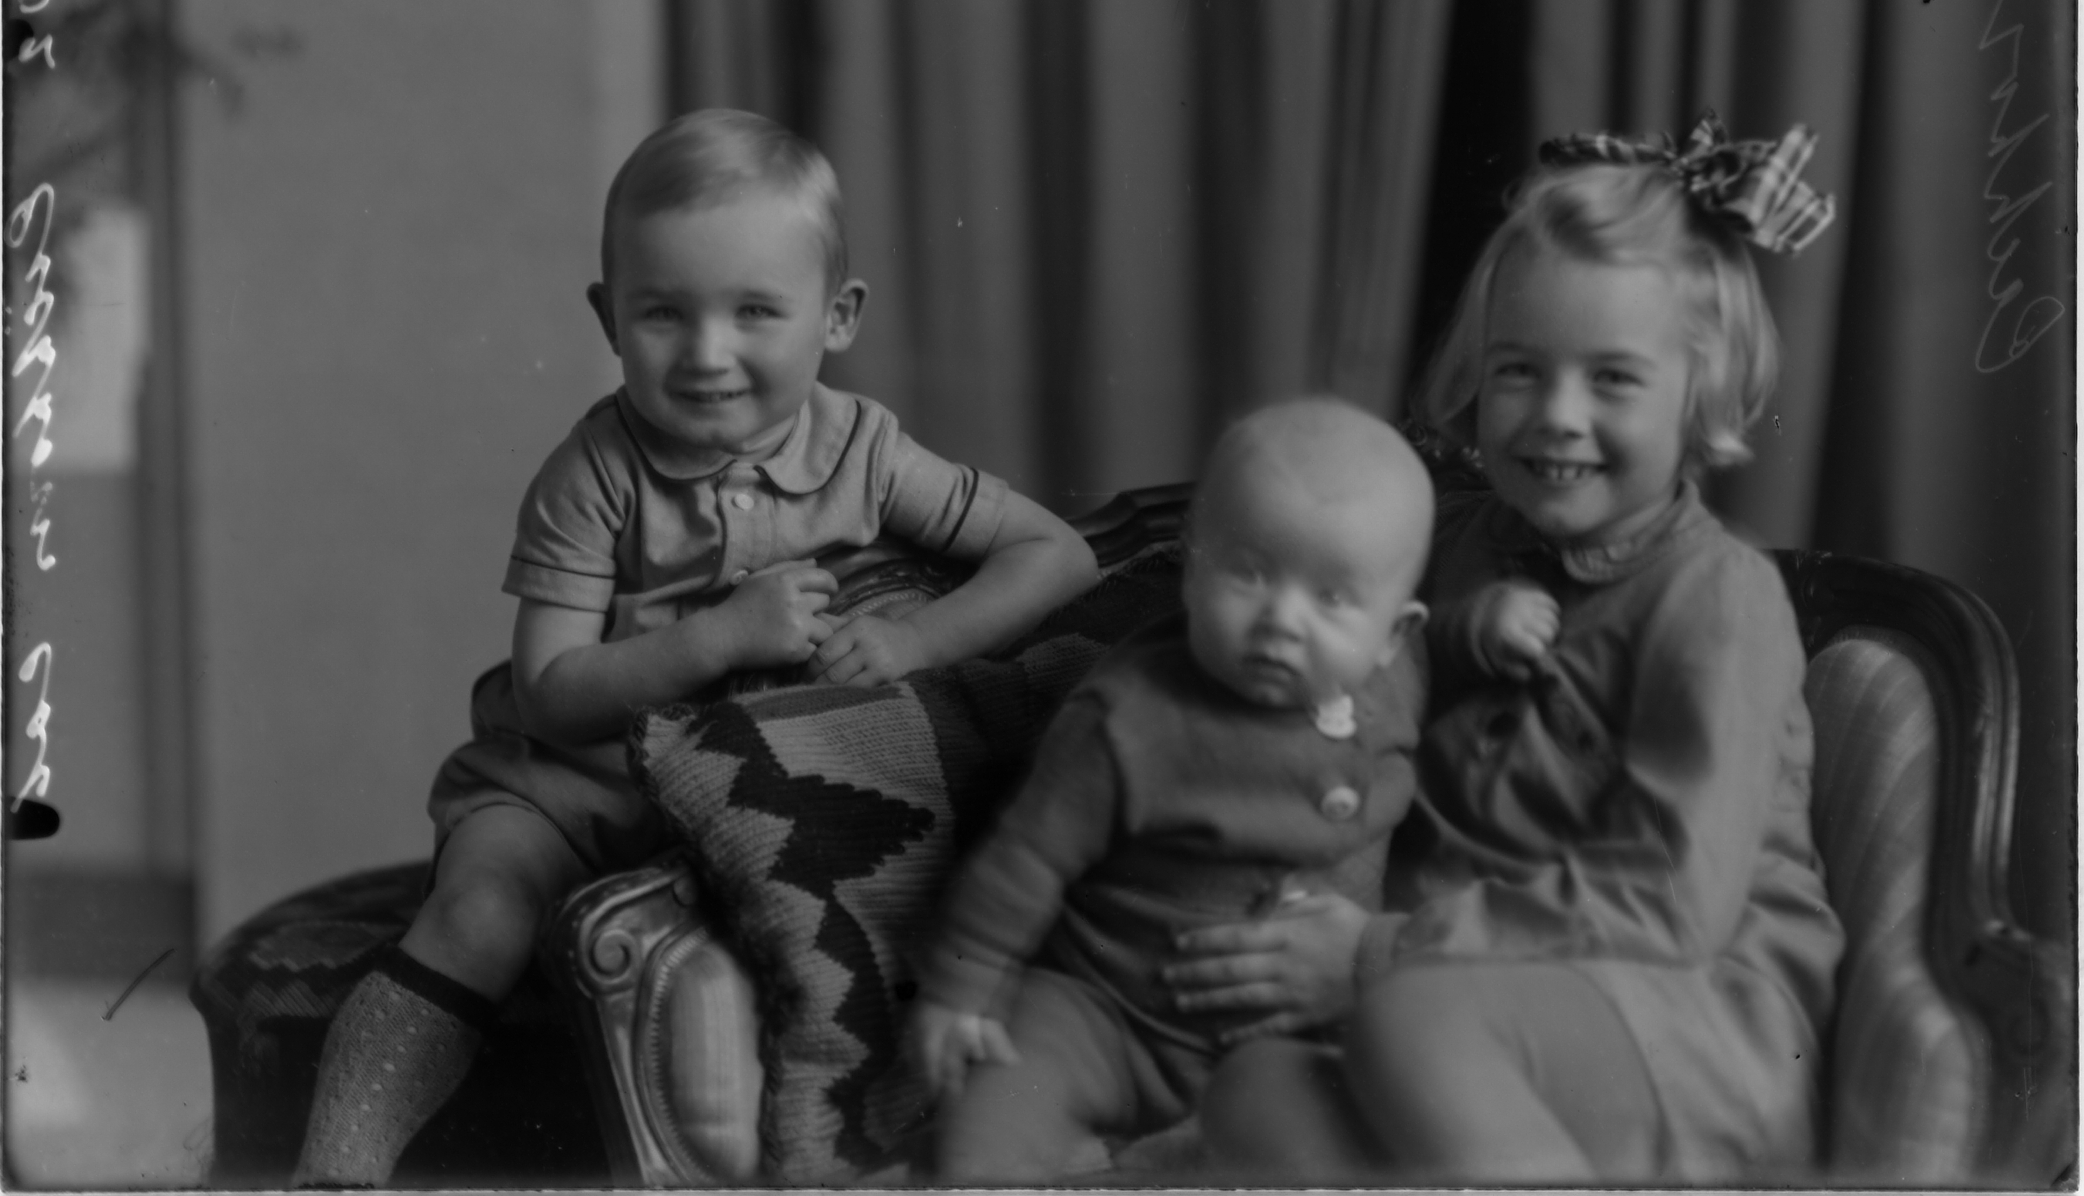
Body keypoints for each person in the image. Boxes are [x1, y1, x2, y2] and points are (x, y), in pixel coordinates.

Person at [292, 109, 1100, 1187]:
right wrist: (721, 633)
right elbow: (549, 692)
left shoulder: (865, 450)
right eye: (663, 313)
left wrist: (913, 640)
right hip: (570, 793)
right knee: (480, 912)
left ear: (837, 316)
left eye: (755, 310)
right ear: (607, 316)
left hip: (756, 808)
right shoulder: (592, 473)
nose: (708, 354)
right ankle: (334, 1168)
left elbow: (1055, 554)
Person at [1188, 114, 1847, 1184]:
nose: (1556, 415)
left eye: (1613, 378)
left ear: (1701, 393)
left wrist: (1374, 952)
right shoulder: (1457, 547)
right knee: (1251, 1089)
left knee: (1406, 1019)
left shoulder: (1718, 598)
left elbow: (1667, 899)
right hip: (1472, 1007)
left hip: (1685, 1021)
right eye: (1518, 371)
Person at [907, 397, 1434, 1183]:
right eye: (1249, 572)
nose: (1282, 620)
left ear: (1394, 634)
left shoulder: (1399, 687)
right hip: (1105, 1011)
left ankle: (1174, 1157)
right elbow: (1024, 860)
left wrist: (1493, 624)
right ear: (1192, 568)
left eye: (1331, 597)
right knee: (989, 1120)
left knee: (1346, 1131)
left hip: (1284, 1028)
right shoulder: (1127, 718)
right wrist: (960, 989)